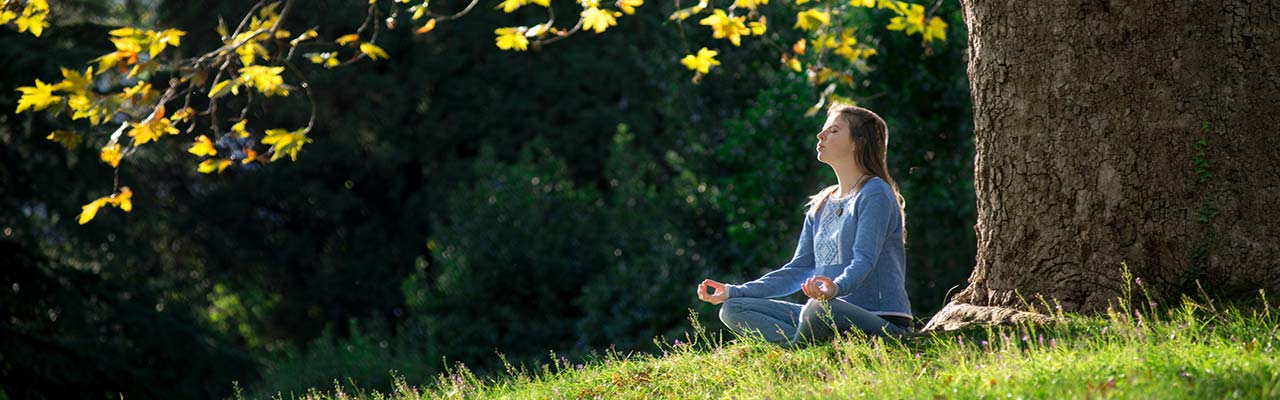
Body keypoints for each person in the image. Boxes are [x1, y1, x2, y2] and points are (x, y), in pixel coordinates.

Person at [696, 102, 914, 349]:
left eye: (833, 130)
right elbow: (798, 269)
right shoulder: (821, 203)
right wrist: (734, 291)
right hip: (827, 314)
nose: (820, 135)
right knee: (733, 309)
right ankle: (808, 346)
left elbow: (864, 260)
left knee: (815, 310)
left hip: (881, 321)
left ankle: (798, 350)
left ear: (858, 142)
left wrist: (836, 288)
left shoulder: (874, 193)